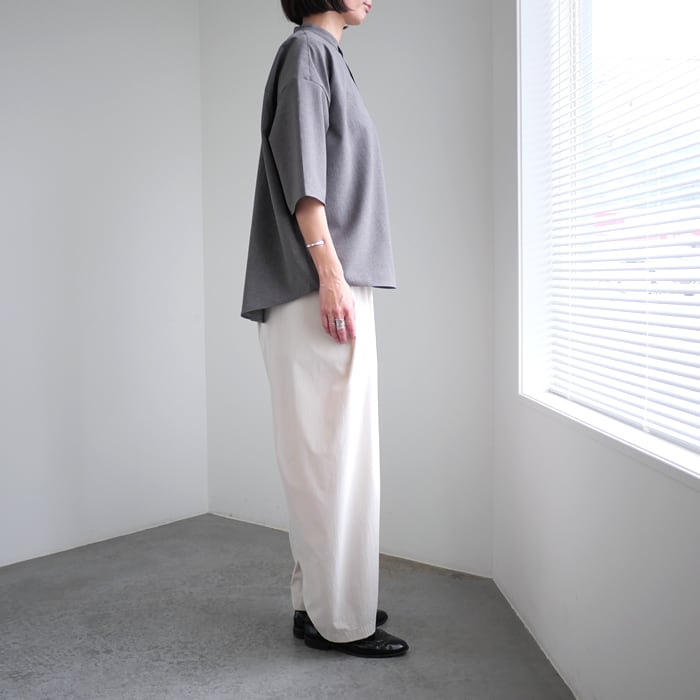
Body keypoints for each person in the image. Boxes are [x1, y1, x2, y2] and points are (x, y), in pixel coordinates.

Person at [241, 0, 408, 658]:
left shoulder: (324, 57)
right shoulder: (308, 54)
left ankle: (322, 602)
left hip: (327, 282)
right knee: (331, 461)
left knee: (330, 457)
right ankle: (340, 619)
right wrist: (331, 275)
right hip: (319, 285)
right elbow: (305, 181)